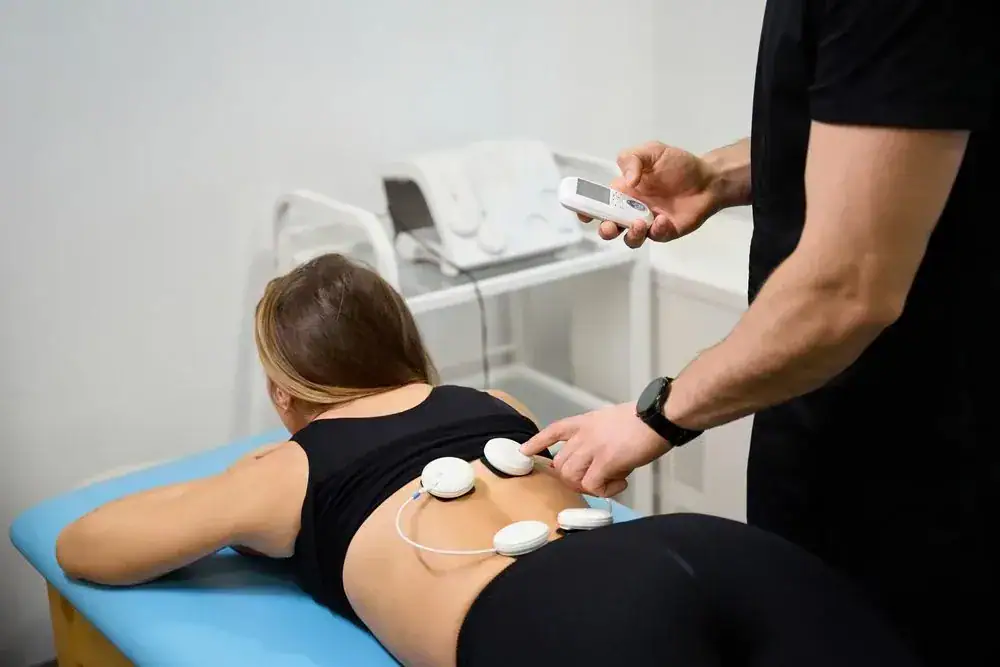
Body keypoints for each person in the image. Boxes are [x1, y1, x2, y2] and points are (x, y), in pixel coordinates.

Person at [55, 253, 920, 667]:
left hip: (564, 620)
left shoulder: (285, 469)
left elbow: (84, 545)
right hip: (707, 548)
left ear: (288, 398)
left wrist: (235, 511)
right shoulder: (492, 407)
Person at [520, 2, 997, 665]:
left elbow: (846, 290)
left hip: (920, 470)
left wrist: (654, 415)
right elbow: (879, 115)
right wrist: (716, 178)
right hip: (831, 430)